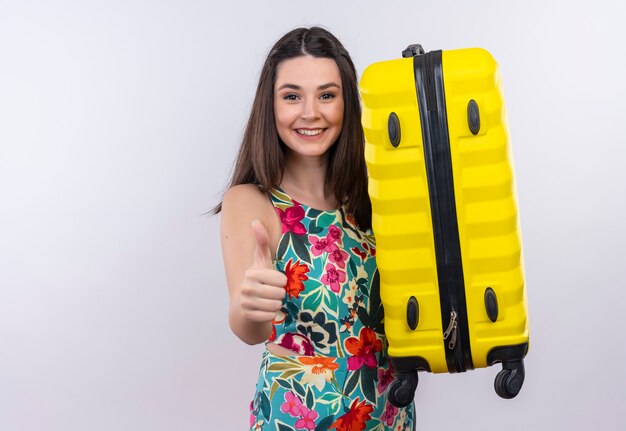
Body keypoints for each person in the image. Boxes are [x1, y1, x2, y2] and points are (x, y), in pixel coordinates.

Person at [216, 27, 415, 431]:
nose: (310, 112)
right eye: (292, 96)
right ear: (270, 106)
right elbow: (248, 327)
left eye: (327, 95)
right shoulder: (251, 201)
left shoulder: (375, 199)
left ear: (347, 103)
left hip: (389, 418)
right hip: (297, 422)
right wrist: (251, 304)